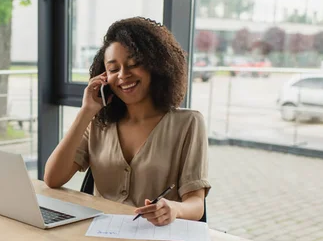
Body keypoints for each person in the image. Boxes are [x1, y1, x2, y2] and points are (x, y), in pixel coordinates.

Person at [44, 17, 210, 226]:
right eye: (114, 69)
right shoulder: (98, 122)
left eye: (134, 64)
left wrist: (174, 209)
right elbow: (53, 178)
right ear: (104, 76)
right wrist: (86, 111)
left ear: (156, 66)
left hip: (156, 240)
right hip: (102, 234)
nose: (123, 75)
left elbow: (196, 204)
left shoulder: (188, 123)